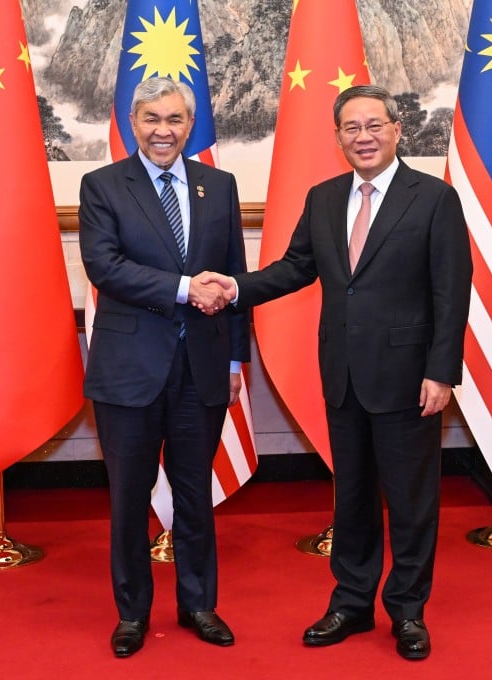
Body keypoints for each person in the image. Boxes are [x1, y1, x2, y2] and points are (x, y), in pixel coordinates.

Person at [200, 84, 472, 661]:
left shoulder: (433, 199)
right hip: (343, 374)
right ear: (338, 138)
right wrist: (236, 288)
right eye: (352, 128)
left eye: (375, 125)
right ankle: (350, 602)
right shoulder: (324, 198)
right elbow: (297, 268)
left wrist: (442, 371)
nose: (364, 137)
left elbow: (452, 291)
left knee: (410, 500)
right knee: (350, 497)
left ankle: (407, 611)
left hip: (409, 377)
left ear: (399, 130)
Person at [78, 76, 250, 658]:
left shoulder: (218, 187)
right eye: (152, 118)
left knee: (194, 493)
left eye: (175, 119)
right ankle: (132, 613)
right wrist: (182, 287)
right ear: (134, 121)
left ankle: (200, 605)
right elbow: (105, 266)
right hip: (129, 369)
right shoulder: (102, 185)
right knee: (129, 497)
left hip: (202, 368)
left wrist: (233, 359)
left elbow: (232, 279)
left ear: (189, 125)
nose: (163, 131)